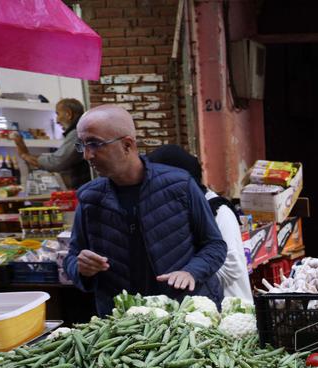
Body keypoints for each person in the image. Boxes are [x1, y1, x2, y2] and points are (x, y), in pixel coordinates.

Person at [63, 105, 227, 316]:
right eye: (82, 145)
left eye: (95, 144)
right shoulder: (89, 198)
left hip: (184, 314)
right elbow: (72, 257)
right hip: (124, 322)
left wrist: (191, 272)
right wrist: (80, 268)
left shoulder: (179, 185)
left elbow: (214, 245)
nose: (87, 155)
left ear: (127, 145)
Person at [147, 144, 252, 301]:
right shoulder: (171, 210)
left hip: (227, 308)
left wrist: (192, 272)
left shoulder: (219, 211)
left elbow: (232, 265)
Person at [13, 98, 91, 189]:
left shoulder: (76, 134)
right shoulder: (81, 133)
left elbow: (57, 162)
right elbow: (72, 155)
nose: (57, 120)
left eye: (58, 114)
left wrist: (25, 155)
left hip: (87, 188)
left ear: (68, 114)